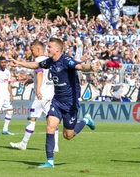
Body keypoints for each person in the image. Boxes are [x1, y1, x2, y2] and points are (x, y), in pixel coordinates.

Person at [11, 37, 98, 168]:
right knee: (50, 126)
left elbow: (80, 66)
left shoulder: (67, 61)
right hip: (56, 100)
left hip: (70, 103)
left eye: (50, 47)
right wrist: (19, 63)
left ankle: (85, 120)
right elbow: (36, 65)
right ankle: (50, 161)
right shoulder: (50, 62)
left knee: (68, 135)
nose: (48, 49)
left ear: (57, 49)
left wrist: (90, 67)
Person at [9, 41, 59, 151]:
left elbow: (40, 73)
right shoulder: (49, 61)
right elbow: (46, 76)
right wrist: (32, 80)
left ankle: (23, 143)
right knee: (52, 120)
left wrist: (37, 89)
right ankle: (55, 146)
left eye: (32, 50)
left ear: (38, 49)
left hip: (40, 95)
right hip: (50, 95)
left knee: (32, 119)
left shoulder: (39, 60)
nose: (31, 52)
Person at [0, 56, 14, 135]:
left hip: (6, 95)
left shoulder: (7, 72)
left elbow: (9, 84)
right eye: (2, 62)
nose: (4, 64)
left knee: (10, 111)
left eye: (5, 62)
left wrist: (11, 94)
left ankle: (5, 129)